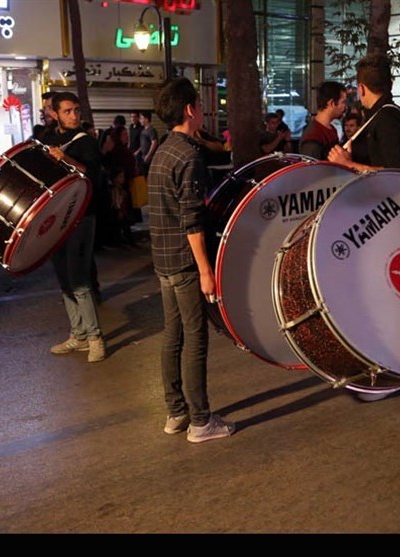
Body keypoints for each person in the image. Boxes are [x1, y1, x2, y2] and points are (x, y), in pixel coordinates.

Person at [148, 77, 235, 443]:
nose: (202, 111)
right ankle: (200, 421)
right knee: (196, 338)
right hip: (185, 263)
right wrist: (205, 271)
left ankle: (176, 412)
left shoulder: (163, 150)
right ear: (189, 109)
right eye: (199, 104)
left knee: (173, 335)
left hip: (163, 260)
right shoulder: (189, 156)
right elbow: (192, 220)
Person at [42, 92, 106, 364]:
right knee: (64, 280)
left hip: (81, 216)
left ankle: (95, 338)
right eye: (67, 111)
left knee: (79, 280)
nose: (74, 115)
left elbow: (91, 174)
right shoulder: (46, 138)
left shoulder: (86, 141)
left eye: (76, 110)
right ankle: (78, 335)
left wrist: (64, 159)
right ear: (54, 113)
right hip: (55, 218)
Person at [328, 54, 400, 171]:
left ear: (361, 88)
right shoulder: (386, 115)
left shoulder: (387, 118)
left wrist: (348, 164)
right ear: (390, 85)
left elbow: (394, 172)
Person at [299, 81, 347, 160]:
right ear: (332, 103)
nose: (345, 106)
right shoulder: (313, 137)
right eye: (343, 102)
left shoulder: (331, 129)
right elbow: (312, 167)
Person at [137, 110, 159, 176]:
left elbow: (154, 142)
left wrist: (148, 155)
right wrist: (138, 151)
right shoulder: (143, 130)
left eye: (141, 118)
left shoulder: (151, 130)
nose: (140, 120)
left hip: (149, 158)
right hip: (143, 156)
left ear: (146, 119)